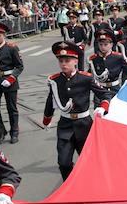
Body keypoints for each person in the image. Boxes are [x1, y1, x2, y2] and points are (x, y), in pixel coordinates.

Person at [42, 40, 110, 180]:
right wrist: (46, 119)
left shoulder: (85, 78)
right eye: (61, 61)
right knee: (64, 163)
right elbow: (51, 100)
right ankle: (68, 186)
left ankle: (92, 184)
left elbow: (105, 94)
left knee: (90, 161)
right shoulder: (55, 80)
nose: (63, 64)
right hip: (65, 125)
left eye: (67, 60)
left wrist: (103, 107)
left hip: (84, 124)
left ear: (75, 61)